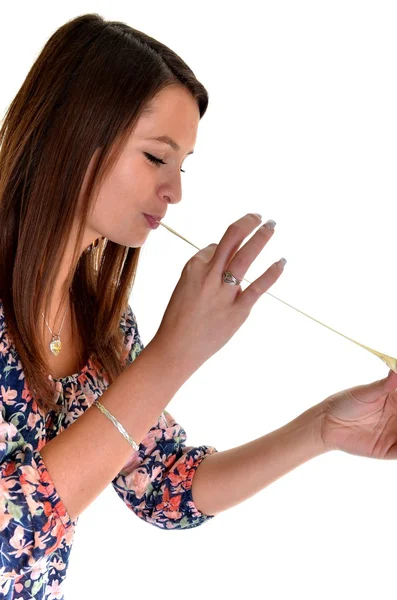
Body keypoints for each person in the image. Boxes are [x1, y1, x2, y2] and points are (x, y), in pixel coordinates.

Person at [0, 12, 396, 600]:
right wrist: (173, 356)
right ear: (76, 136)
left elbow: (162, 484)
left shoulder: (104, 323)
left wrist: (323, 429)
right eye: (156, 158)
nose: (175, 191)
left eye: (181, 165)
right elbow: (14, 527)